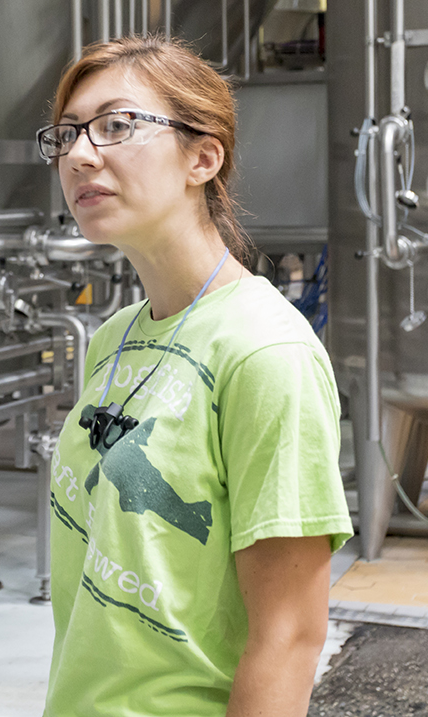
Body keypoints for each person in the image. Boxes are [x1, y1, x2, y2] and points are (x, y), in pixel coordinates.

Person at [36, 35, 351, 717]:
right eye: (66, 135)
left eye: (116, 125)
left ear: (203, 157)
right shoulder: (115, 338)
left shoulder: (264, 351)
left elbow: (290, 635)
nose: (80, 154)